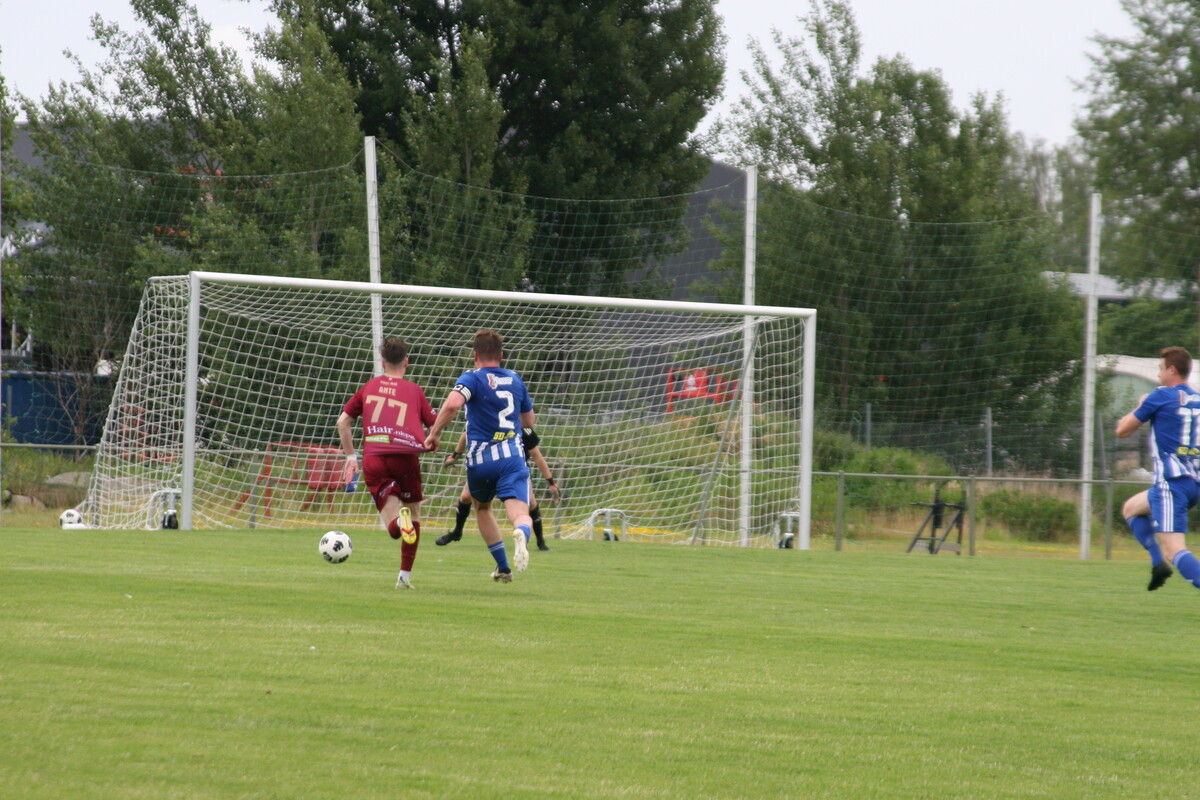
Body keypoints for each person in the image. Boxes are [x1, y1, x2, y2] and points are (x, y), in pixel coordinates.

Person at [425, 330, 535, 583]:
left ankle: (503, 567)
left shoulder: (472, 378)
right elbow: (529, 421)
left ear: (475, 356)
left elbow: (453, 404)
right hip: (511, 456)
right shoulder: (515, 379)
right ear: (501, 356)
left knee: (483, 508)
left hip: (480, 460)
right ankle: (521, 532)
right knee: (520, 512)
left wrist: (434, 433)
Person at [337, 337, 436, 590]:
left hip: (375, 457)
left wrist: (351, 458)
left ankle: (399, 522)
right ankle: (404, 577)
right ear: (406, 362)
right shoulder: (414, 390)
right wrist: (432, 439)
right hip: (405, 457)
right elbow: (434, 425)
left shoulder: (369, 386)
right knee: (414, 514)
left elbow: (343, 422)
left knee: (393, 526)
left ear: (382, 363)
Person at [1116, 346, 1200, 592]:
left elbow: (1122, 431)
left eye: (1160, 368)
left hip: (1171, 484)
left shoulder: (1160, 395)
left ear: (1172, 370)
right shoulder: (1198, 399)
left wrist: (1141, 404)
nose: (1158, 374)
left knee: (1175, 550)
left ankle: (1164, 560)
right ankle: (1157, 565)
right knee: (1131, 508)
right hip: (1193, 483)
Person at [436, 427, 562, 550]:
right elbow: (467, 432)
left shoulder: (522, 428)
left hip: (514, 469)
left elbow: (537, 456)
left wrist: (551, 482)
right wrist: (455, 455)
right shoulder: (484, 420)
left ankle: (540, 542)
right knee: (465, 497)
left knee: (530, 503)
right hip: (486, 465)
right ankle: (457, 532)